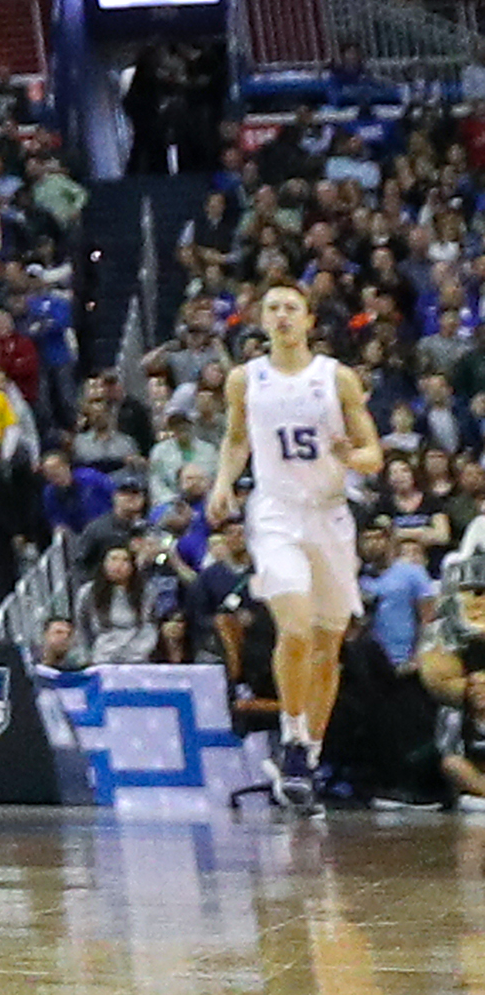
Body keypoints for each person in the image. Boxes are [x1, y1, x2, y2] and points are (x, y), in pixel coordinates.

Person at [214, 279, 384, 812]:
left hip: (330, 517)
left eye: (292, 307)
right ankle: (292, 739)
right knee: (294, 629)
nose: (282, 315)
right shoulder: (246, 379)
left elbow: (373, 452)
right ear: (261, 320)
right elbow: (237, 438)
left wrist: (353, 457)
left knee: (328, 648)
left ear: (309, 320)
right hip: (276, 513)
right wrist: (222, 483)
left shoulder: (337, 379)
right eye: (273, 308)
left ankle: (307, 755)